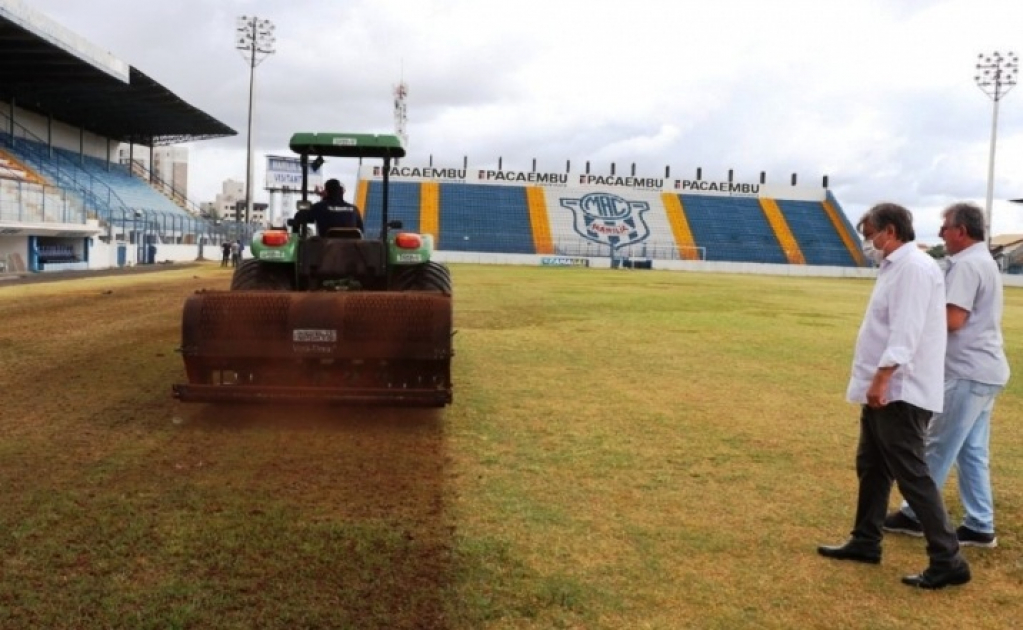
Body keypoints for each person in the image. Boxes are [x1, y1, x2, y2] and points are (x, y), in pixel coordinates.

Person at [817, 202, 971, 590]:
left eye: (870, 235)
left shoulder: (914, 269)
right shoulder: (897, 267)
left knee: (912, 475)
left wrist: (882, 378)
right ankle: (866, 540)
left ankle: (948, 558)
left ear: (890, 229)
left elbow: (907, 331)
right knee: (871, 464)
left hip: (901, 389)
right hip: (889, 387)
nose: (869, 243)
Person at [883, 202, 1009, 548]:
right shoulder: (981, 262)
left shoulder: (968, 266)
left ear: (961, 231)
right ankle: (980, 524)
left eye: (945, 228)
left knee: (937, 445)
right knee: (971, 451)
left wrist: (915, 316)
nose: (941, 234)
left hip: (967, 371)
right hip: (983, 369)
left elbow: (953, 320)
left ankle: (913, 515)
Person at [292, 178, 364, 236]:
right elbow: (361, 231)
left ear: (326, 192)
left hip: (326, 251)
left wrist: (296, 237)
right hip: (351, 251)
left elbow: (298, 217)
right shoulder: (354, 209)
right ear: (342, 191)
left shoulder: (319, 207)